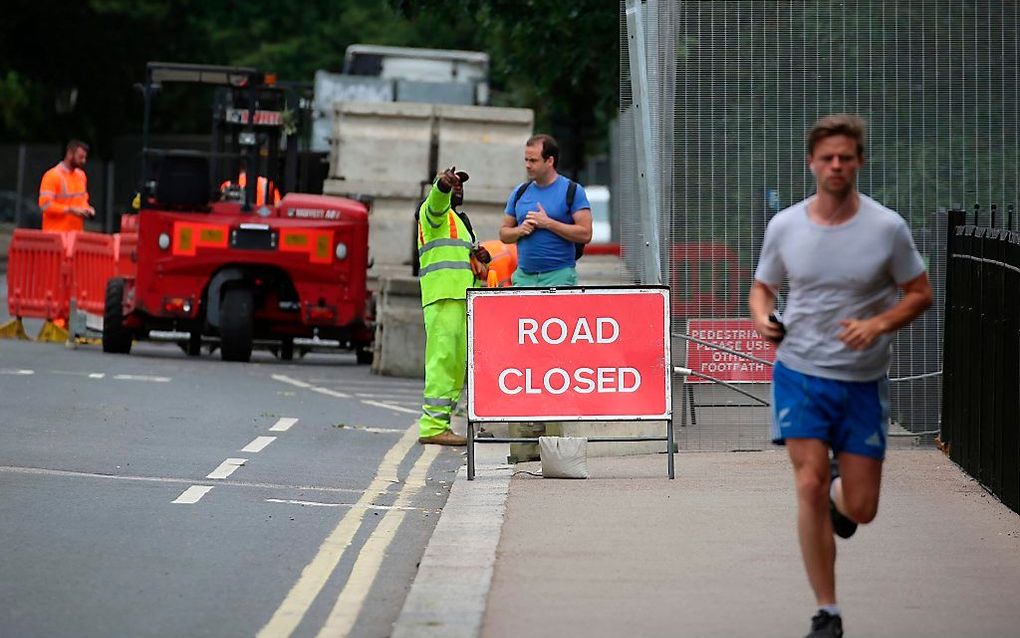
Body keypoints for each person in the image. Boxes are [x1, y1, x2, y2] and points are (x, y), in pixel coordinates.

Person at [749, 113, 933, 638]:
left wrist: (878, 323)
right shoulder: (786, 225)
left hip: (862, 380)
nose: (835, 165)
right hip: (800, 371)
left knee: (862, 508)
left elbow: (920, 293)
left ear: (858, 163)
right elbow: (763, 288)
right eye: (827, 157)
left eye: (845, 158)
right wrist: (764, 319)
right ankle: (826, 613)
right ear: (812, 163)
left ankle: (839, 496)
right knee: (805, 482)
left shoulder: (886, 228)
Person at [416, 166, 489, 446]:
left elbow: (469, 262)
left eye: (460, 184)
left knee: (456, 365)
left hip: (461, 299)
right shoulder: (432, 213)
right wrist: (441, 186)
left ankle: (441, 423)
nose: (457, 187)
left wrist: (482, 258)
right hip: (443, 297)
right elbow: (436, 203)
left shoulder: (461, 223)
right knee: (443, 362)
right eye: (452, 183)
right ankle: (433, 426)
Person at [500, 134, 592, 286]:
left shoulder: (572, 190)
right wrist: (520, 230)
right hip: (524, 279)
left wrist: (548, 223)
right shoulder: (519, 192)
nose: (528, 165)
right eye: (526, 160)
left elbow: (586, 234)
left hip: (559, 278)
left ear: (550, 161)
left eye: (533, 160)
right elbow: (504, 234)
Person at [39, 140, 95, 232]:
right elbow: (45, 206)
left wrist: (88, 209)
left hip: (76, 235)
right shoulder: (52, 175)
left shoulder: (81, 176)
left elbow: (82, 201)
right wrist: (70, 210)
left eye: (85, 158)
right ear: (70, 154)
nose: (83, 161)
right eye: (80, 157)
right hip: (56, 235)